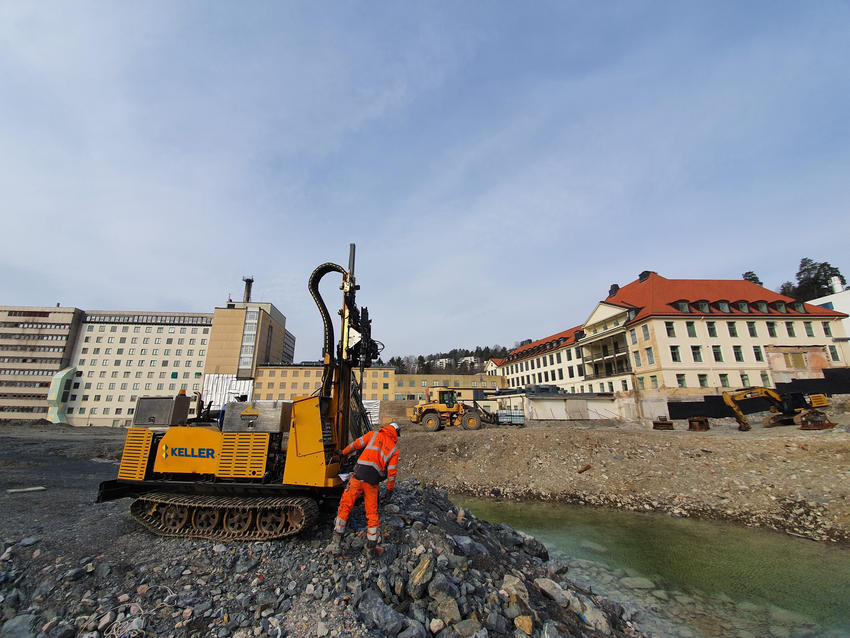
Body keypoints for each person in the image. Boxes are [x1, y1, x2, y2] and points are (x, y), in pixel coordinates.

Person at [327, 422, 399, 557]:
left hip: (358, 476)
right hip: (372, 482)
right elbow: (392, 473)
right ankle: (370, 548)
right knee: (372, 513)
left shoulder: (373, 435)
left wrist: (343, 452)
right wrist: (389, 490)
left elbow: (356, 444)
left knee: (345, 506)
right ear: (395, 433)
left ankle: (336, 542)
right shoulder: (394, 450)